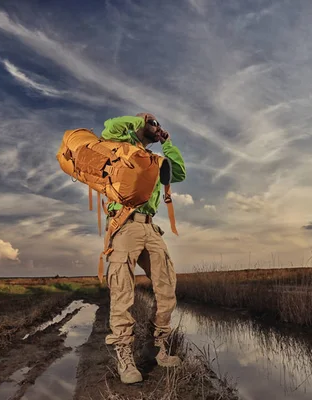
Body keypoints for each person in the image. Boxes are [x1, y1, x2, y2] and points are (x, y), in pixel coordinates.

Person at [100, 112, 186, 384]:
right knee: (123, 290)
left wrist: (166, 142)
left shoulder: (154, 159)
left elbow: (179, 173)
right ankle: (125, 357)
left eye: (158, 123)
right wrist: (141, 119)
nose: (156, 125)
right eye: (152, 123)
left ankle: (157, 346)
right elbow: (109, 127)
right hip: (124, 222)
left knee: (167, 284)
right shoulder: (120, 146)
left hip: (150, 226)